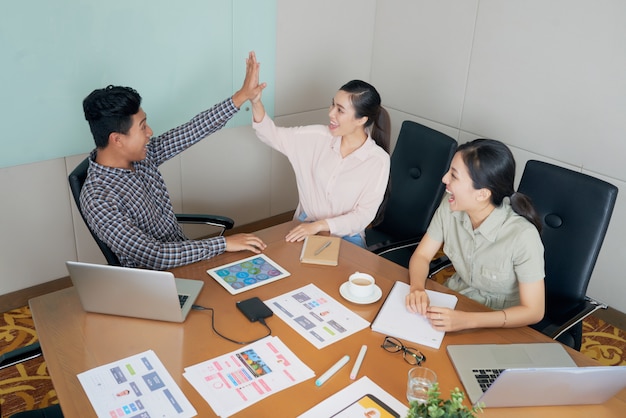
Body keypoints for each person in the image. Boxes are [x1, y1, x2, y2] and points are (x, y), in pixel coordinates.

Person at [80, 52, 267, 270]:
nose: (150, 132)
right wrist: (223, 243)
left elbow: (192, 130)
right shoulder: (98, 198)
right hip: (158, 282)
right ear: (117, 140)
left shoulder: (141, 156)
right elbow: (154, 256)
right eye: (142, 127)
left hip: (188, 260)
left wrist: (242, 95)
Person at [405, 139, 545, 332]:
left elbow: (534, 311)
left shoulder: (523, 237)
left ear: (482, 194)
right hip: (456, 301)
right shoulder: (450, 205)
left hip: (499, 322)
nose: (444, 179)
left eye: (454, 176)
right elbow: (422, 256)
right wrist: (417, 288)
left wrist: (469, 321)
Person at [250, 72, 391, 248]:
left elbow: (363, 216)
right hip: (305, 226)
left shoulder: (378, 161)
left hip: (346, 237)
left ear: (361, 120)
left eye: (340, 110)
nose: (331, 113)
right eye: (333, 105)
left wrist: (320, 226)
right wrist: (255, 101)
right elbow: (272, 134)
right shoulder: (317, 136)